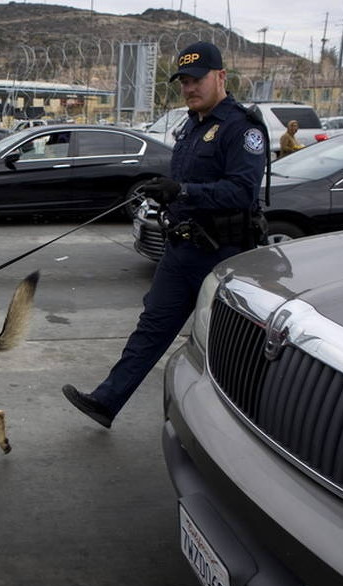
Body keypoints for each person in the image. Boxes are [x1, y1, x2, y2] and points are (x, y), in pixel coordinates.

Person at [62, 41, 267, 429]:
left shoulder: (241, 127)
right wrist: (166, 196)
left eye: (198, 79)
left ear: (221, 77)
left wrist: (185, 192)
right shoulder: (190, 126)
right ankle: (107, 401)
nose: (190, 88)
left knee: (226, 346)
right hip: (182, 250)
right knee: (151, 328)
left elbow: (243, 190)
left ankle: (245, 423)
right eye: (184, 81)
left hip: (223, 256)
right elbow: (184, 183)